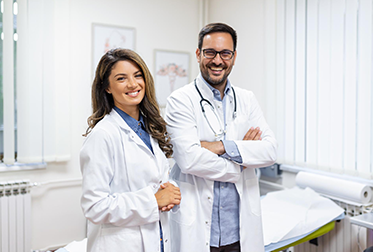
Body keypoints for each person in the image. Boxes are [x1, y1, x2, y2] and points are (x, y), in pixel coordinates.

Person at [165, 23, 277, 252]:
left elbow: (270, 150)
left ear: (234, 57)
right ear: (198, 54)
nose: (218, 60)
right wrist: (242, 160)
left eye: (225, 53)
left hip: (239, 230)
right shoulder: (180, 100)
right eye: (210, 52)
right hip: (198, 230)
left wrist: (219, 146)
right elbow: (189, 159)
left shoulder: (247, 99)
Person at [80, 48, 181, 252]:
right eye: (121, 78)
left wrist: (169, 191)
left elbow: (151, 179)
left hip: (157, 239)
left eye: (137, 75)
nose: (133, 84)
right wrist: (153, 201)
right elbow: (94, 206)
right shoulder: (103, 135)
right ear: (107, 87)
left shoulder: (150, 128)